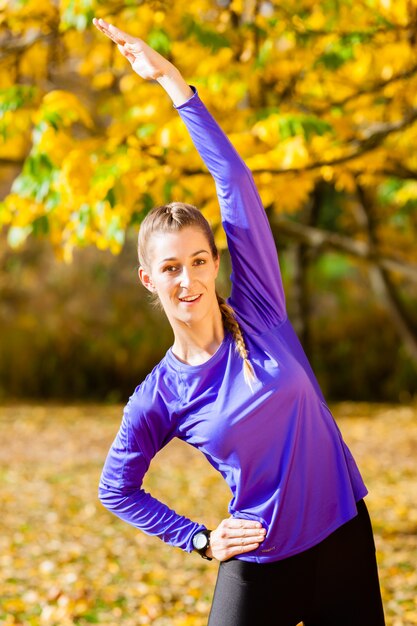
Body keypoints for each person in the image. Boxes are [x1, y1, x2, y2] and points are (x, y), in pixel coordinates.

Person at [93, 18, 386, 626]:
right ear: (149, 280)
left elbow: (234, 182)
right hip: (259, 560)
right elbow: (115, 488)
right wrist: (200, 539)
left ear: (215, 262)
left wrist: (174, 85)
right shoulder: (159, 396)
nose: (188, 279)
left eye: (199, 261)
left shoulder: (260, 309)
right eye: (170, 267)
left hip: (342, 540)